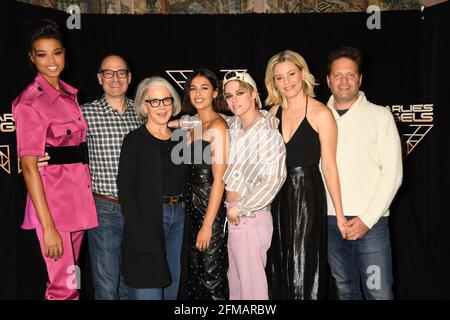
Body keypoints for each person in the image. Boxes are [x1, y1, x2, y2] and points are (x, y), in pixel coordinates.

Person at [12, 19, 98, 300]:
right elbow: (28, 167)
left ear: (65, 53)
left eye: (57, 52)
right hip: (53, 208)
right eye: (42, 54)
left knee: (72, 283)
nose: (51, 61)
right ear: (31, 57)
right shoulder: (30, 103)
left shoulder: (68, 95)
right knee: (63, 288)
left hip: (77, 202)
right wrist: (48, 226)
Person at [264, 50, 346, 300]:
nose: (286, 82)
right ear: (273, 82)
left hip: (308, 196)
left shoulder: (322, 113)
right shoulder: (271, 114)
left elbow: (330, 166)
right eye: (279, 78)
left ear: (303, 73)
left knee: (304, 265)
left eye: (291, 74)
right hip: (276, 196)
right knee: (277, 262)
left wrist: (340, 216)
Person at [325, 46, 402, 300]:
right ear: (328, 80)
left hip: (372, 222)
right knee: (345, 291)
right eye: (338, 75)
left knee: (379, 292)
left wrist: (367, 219)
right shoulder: (317, 118)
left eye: (350, 75)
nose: (344, 81)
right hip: (330, 221)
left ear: (360, 79)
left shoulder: (380, 116)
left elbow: (393, 173)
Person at [117, 76, 186, 300]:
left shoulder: (182, 138)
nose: (162, 107)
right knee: (147, 285)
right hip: (147, 219)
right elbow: (125, 190)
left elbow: (213, 126)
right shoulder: (134, 140)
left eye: (166, 100)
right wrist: (138, 227)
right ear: (144, 107)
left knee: (172, 285)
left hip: (179, 219)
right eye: (154, 101)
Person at [81, 54, 142, 300]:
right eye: (108, 72)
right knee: (107, 284)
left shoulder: (143, 113)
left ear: (129, 78)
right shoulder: (84, 114)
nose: (115, 78)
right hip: (103, 207)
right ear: (99, 78)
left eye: (121, 73)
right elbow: (58, 142)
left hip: (137, 209)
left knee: (131, 281)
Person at [222, 71, 286, 300]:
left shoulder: (267, 132)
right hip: (235, 213)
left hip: (250, 215)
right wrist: (177, 121)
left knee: (252, 291)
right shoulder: (234, 125)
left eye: (240, 93)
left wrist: (242, 208)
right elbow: (207, 119)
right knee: (237, 286)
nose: (234, 100)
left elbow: (274, 179)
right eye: (229, 96)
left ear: (254, 94)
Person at [181, 69, 229, 300]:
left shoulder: (218, 127)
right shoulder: (192, 126)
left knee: (211, 276)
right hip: (190, 205)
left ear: (215, 92)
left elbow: (220, 179)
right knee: (195, 274)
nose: (198, 94)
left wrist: (208, 224)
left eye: (204, 88)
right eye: (193, 88)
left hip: (209, 205)